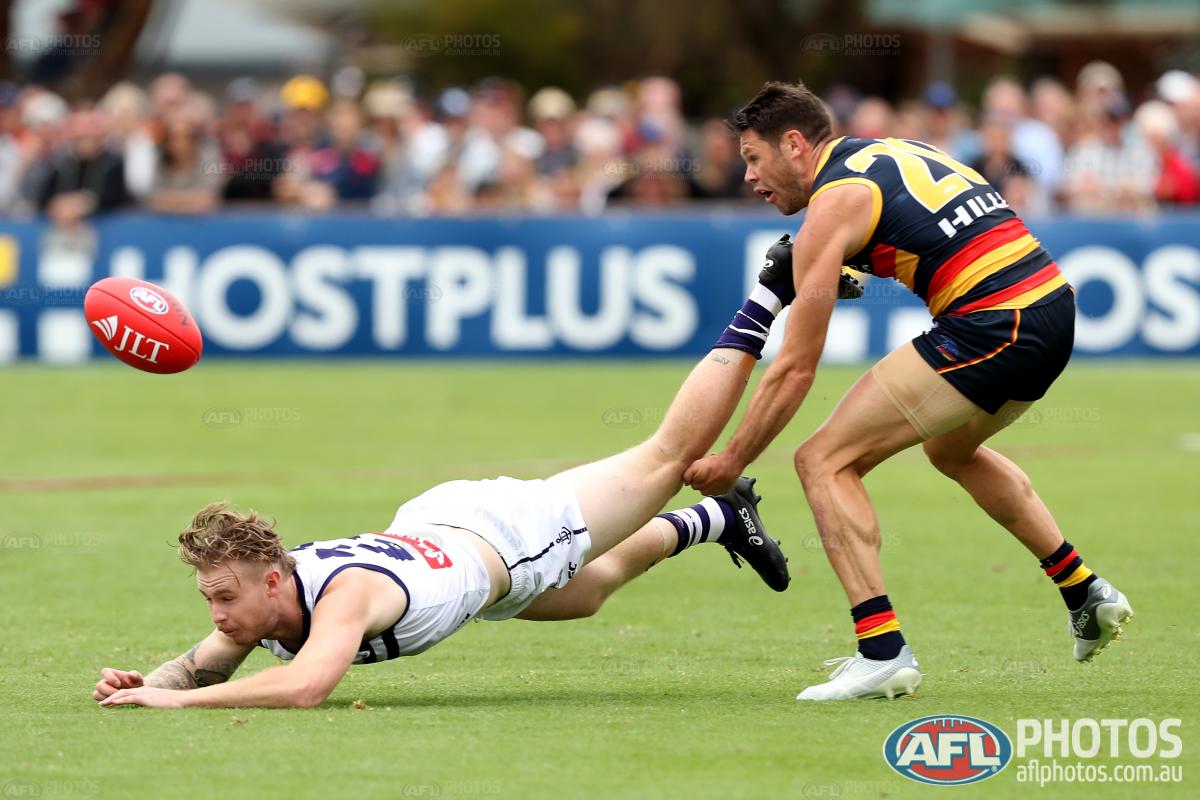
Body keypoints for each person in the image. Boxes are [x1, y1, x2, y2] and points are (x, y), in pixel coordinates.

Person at [92, 267, 799, 709]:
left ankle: (768, 289)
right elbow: (197, 668)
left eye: (224, 596)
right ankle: (718, 520)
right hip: (437, 530)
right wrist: (147, 686)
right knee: (584, 592)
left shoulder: (345, 598)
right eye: (210, 598)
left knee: (667, 455)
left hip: (503, 533)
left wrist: (177, 709)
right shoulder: (261, 609)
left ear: (275, 582)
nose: (215, 615)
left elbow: (306, 688)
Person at [684, 81, 1133, 701]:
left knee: (823, 461)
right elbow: (929, 237)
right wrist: (838, 273)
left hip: (994, 322)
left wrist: (733, 460)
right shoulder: (889, 151)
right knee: (950, 452)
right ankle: (1084, 590)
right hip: (1051, 306)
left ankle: (883, 650)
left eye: (755, 159)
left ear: (794, 144)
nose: (750, 179)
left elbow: (794, 369)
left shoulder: (832, 204)